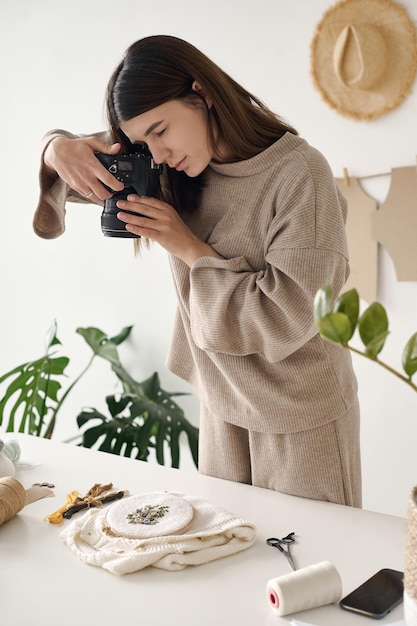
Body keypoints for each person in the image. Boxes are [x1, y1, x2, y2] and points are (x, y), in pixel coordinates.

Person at [34, 35, 361, 507]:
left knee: (314, 567)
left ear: (202, 93)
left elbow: (289, 312)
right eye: (143, 142)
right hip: (221, 404)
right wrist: (55, 147)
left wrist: (187, 246)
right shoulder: (170, 168)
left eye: (161, 130)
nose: (158, 154)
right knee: (228, 559)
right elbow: (70, 181)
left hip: (300, 414)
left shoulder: (299, 175)